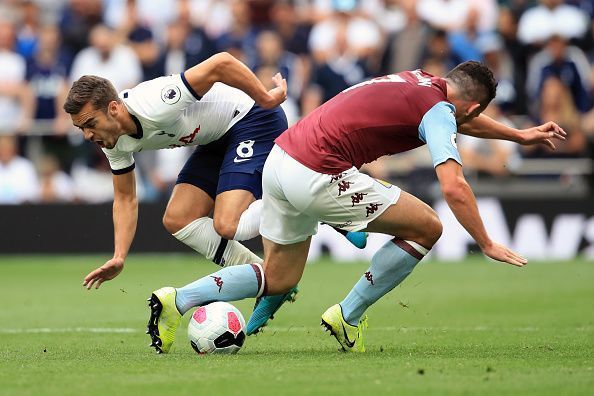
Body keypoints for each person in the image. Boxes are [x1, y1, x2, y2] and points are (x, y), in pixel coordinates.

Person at [148, 61, 567, 353]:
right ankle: (348, 314)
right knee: (428, 227)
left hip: (280, 159)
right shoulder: (440, 111)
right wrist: (487, 242)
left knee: (278, 277)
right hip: (318, 173)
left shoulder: (423, 81)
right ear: (472, 104)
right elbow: (454, 185)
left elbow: (460, 118)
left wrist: (519, 135)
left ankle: (176, 300)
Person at [64, 52, 366, 353]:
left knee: (226, 224)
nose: (88, 135)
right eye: (81, 128)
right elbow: (126, 197)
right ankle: (264, 279)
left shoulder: (156, 101)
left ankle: (318, 202)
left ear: (114, 108)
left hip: (252, 119)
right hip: (215, 139)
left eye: (90, 123)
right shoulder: (112, 140)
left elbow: (220, 63)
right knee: (177, 218)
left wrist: (265, 96)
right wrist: (119, 255)